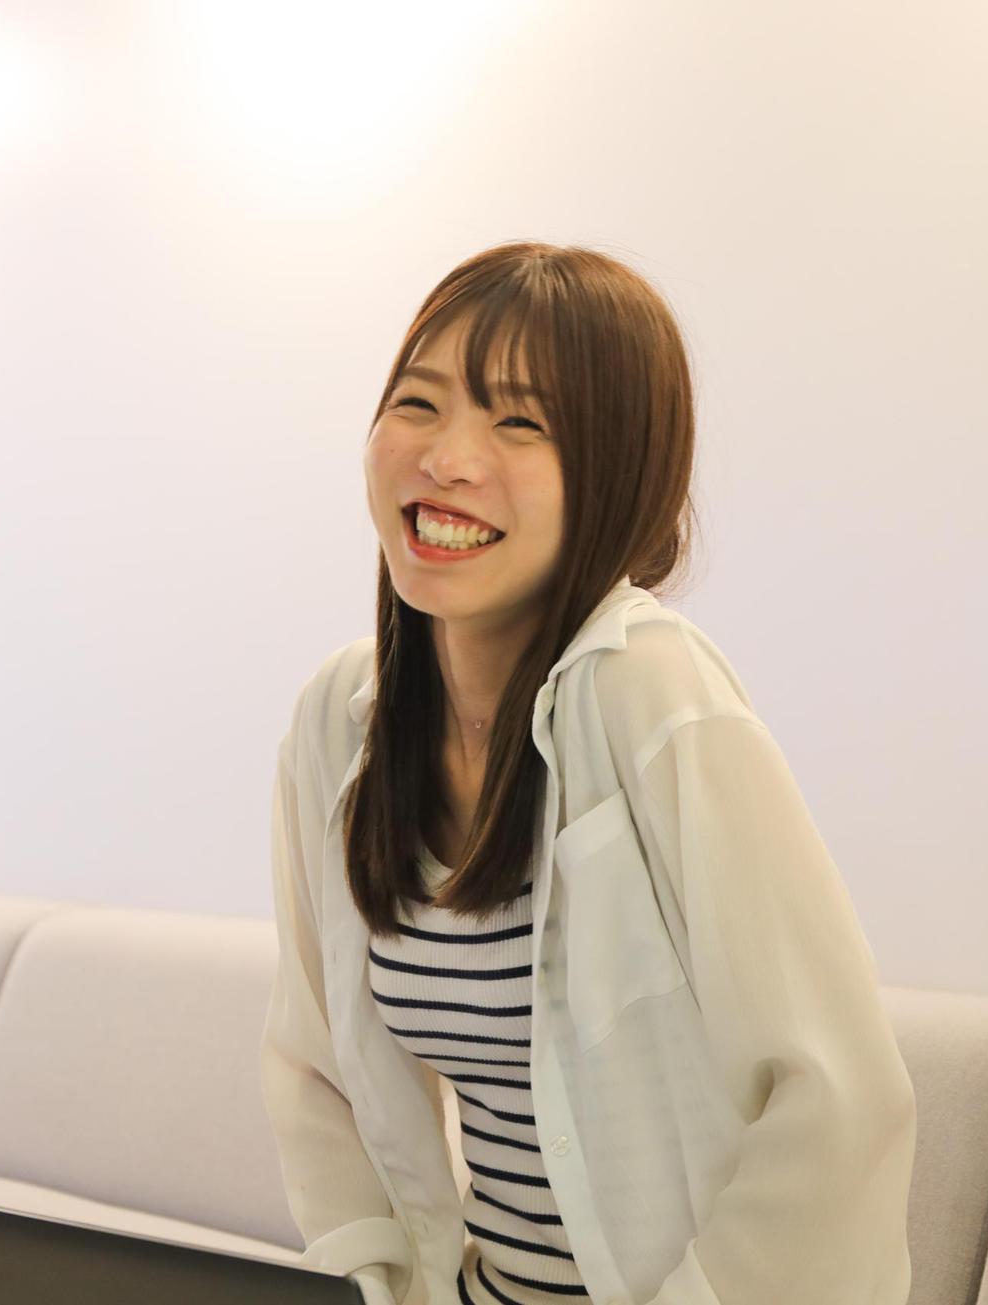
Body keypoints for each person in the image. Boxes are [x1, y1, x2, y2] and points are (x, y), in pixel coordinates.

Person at [261, 241, 916, 1305]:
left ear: (615, 472)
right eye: (418, 404)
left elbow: (839, 1099)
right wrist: (373, 1284)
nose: (448, 458)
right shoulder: (340, 723)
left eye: (520, 423)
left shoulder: (650, 688)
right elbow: (316, 1066)